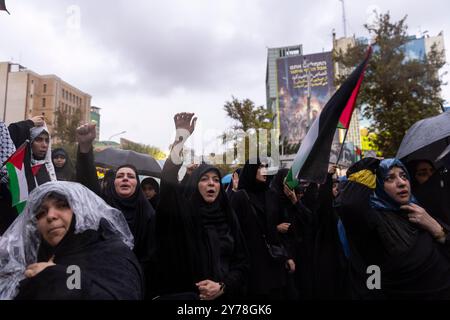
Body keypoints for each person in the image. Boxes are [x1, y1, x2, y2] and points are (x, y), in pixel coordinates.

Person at [154, 113, 249, 300]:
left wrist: (222, 286)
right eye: (204, 179)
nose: (211, 184)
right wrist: (180, 139)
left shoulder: (228, 218)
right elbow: (168, 183)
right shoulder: (181, 215)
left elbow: (242, 263)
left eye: (215, 180)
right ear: (195, 186)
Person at [0, 181, 143, 300]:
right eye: (41, 213)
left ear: (82, 210)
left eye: (62, 205)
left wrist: (56, 275)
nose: (50, 216)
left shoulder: (112, 253)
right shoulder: (36, 256)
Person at [335, 158, 450, 299]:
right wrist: (370, 164)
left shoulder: (420, 211)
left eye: (404, 176)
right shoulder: (372, 222)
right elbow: (350, 204)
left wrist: (438, 230)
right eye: (389, 178)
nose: (401, 183)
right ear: (377, 186)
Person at [75, 123, 155, 298]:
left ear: (137, 184)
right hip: (98, 277)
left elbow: (149, 256)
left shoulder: (148, 214)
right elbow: (86, 181)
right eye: (120, 176)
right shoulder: (102, 204)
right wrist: (85, 147)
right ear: (114, 182)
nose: (125, 179)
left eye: (130, 176)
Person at [230, 158, 295, 299]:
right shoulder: (240, 197)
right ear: (251, 170)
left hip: (274, 261)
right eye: (260, 167)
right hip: (253, 264)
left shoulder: (271, 195)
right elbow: (234, 231)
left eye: (266, 167)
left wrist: (287, 256)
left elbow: (280, 226)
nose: (264, 170)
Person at [270, 168, 315, 299]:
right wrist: (276, 228)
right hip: (284, 254)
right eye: (286, 180)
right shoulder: (273, 199)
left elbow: (309, 220)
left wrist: (295, 201)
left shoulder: (294, 199)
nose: (289, 183)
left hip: (302, 252)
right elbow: (265, 227)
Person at [407, 159, 450, 226]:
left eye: (433, 171)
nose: (430, 175)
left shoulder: (445, 193)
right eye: (423, 174)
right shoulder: (416, 210)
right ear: (413, 178)